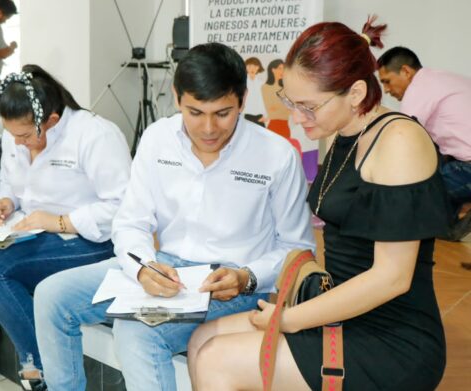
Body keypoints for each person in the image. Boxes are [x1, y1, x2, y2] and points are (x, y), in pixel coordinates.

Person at [188, 17, 451, 391]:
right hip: (343, 309)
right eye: (291, 102)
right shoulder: (344, 131)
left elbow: (391, 278)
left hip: (392, 337)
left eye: (308, 107)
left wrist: (292, 319)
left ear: (356, 93)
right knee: (203, 340)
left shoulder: (400, 141)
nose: (296, 118)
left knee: (218, 361)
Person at [34, 43, 315, 391]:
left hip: (230, 284)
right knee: (51, 295)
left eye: (223, 113)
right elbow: (131, 222)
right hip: (163, 267)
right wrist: (143, 267)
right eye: (195, 112)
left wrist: (247, 277)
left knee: (136, 330)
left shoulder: (277, 155)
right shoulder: (157, 139)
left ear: (243, 100)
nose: (209, 128)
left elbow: (297, 248)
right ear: (177, 97)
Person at [0, 64, 131, 389]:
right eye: (13, 136)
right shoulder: (17, 132)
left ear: (52, 121)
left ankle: (37, 366)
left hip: (89, 239)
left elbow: (121, 207)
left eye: (26, 136)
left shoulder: (96, 135)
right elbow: (11, 182)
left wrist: (59, 221)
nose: (19, 143)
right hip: (33, 229)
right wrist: (6, 203)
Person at [377, 47, 471, 240]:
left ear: (405, 71)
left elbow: (399, 136)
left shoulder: (419, 88)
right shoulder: (442, 78)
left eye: (387, 81)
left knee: (418, 187)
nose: (386, 90)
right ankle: (449, 228)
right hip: (461, 162)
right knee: (433, 158)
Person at [262, 59, 291, 139]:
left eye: (283, 69)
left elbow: (290, 109)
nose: (282, 71)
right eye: (280, 68)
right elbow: (270, 110)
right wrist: (284, 108)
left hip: (285, 126)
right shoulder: (266, 87)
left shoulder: (285, 88)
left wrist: (278, 107)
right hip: (273, 126)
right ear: (273, 70)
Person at [243, 57, 268, 127]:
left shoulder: (262, 84)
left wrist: (266, 115)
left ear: (259, 68)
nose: (252, 69)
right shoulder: (242, 83)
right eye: (249, 66)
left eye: (255, 66)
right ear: (245, 67)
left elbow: (265, 101)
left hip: (260, 117)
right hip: (246, 117)